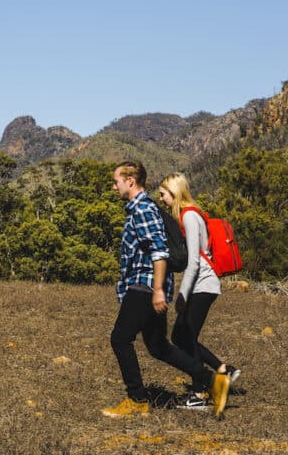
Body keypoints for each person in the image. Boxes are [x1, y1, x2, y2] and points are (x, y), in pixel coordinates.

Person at [103, 161, 213, 417]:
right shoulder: (142, 208)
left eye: (116, 181)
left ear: (131, 181)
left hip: (145, 286)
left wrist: (158, 290)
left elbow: (159, 251)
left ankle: (137, 400)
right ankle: (205, 377)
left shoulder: (142, 209)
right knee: (158, 347)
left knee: (120, 339)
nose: (114, 186)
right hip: (148, 286)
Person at [157, 172, 238, 416]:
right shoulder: (190, 214)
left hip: (203, 283)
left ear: (175, 192)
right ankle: (223, 370)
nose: (161, 199)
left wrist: (182, 295)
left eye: (163, 194)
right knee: (182, 337)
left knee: (186, 337)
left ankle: (200, 393)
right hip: (202, 284)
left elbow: (193, 261)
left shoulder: (190, 216)